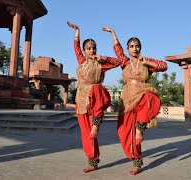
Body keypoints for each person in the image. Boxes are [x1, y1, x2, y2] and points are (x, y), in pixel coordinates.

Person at [103, 27, 168, 175]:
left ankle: (139, 132)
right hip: (127, 101)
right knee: (122, 131)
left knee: (149, 97)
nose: (135, 48)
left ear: (140, 48)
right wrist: (113, 33)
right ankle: (135, 157)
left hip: (142, 97)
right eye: (131, 46)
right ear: (128, 49)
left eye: (137, 46)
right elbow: (117, 49)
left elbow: (164, 66)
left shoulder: (146, 62)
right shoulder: (124, 62)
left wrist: (148, 62)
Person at [67, 22, 120, 173]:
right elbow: (76, 48)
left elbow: (118, 62)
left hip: (94, 97)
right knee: (85, 134)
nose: (92, 50)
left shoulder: (100, 64)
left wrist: (103, 58)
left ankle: (96, 126)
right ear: (84, 51)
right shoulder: (82, 62)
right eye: (89, 48)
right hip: (81, 100)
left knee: (92, 132)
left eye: (94, 48)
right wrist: (77, 32)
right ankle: (93, 161)